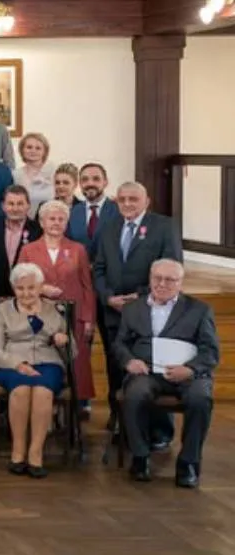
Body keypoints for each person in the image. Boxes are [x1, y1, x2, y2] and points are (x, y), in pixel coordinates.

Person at [117, 259, 219, 488]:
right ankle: (140, 458)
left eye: (169, 280)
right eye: (157, 278)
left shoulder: (199, 310)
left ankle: (188, 463)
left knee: (201, 398)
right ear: (150, 279)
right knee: (134, 394)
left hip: (187, 374)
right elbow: (120, 344)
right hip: (148, 372)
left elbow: (210, 351)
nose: (162, 284)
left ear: (180, 283)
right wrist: (129, 361)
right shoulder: (133, 308)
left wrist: (190, 369)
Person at [93, 181, 184, 439]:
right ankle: (120, 421)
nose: (127, 204)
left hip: (150, 311)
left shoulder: (164, 227)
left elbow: (172, 268)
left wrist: (141, 295)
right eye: (122, 199)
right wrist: (108, 297)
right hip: (113, 311)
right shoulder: (109, 227)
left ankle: (158, 430)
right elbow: (98, 268)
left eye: (133, 199)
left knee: (152, 369)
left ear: (147, 201)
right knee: (116, 366)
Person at [0, 263, 71, 479]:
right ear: (13, 288)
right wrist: (17, 364)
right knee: (21, 389)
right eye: (20, 288)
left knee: (43, 391)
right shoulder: (1, 310)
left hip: (48, 361)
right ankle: (17, 451)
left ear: (40, 287)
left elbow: (74, 351)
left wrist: (63, 339)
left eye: (31, 288)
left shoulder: (54, 310)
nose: (26, 293)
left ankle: (36, 454)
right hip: (11, 362)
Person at [18, 199, 97, 404]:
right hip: (39, 313)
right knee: (44, 358)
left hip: (74, 313)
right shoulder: (29, 250)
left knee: (77, 362)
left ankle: (78, 408)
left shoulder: (78, 249)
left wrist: (88, 318)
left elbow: (87, 286)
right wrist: (41, 289)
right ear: (42, 222)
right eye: (52, 218)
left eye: (61, 219)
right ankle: (47, 405)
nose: (56, 222)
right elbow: (18, 281)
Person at [0, 185, 41, 300]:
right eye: (11, 204)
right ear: (3, 206)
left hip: (27, 298)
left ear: (28, 206)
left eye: (20, 204)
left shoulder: (38, 231)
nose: (15, 208)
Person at [67, 162, 119, 259]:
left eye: (96, 179)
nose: (90, 183)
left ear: (105, 182)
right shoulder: (72, 212)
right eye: (85, 179)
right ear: (80, 184)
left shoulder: (118, 210)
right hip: (79, 271)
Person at [13, 132, 55, 217]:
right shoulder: (15, 175)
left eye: (38, 148)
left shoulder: (53, 171)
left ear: (44, 151)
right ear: (22, 150)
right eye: (29, 147)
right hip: (24, 221)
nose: (33, 151)